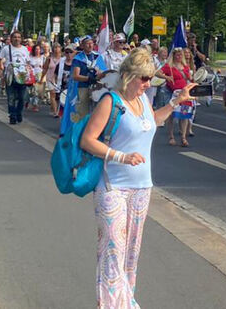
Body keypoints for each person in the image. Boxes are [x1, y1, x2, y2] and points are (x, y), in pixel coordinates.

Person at [80, 48, 194, 308]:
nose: (147, 84)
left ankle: (127, 302)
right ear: (128, 76)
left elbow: (150, 122)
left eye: (150, 79)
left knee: (131, 254)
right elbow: (88, 140)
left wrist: (176, 102)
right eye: (143, 79)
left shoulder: (143, 100)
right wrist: (121, 156)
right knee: (112, 251)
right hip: (113, 187)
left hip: (142, 187)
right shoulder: (111, 101)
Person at [157, 47, 191, 146]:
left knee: (184, 115)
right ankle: (171, 136)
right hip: (172, 93)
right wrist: (166, 77)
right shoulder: (169, 66)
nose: (179, 56)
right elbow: (157, 73)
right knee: (171, 115)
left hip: (183, 93)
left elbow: (189, 78)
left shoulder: (185, 66)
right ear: (174, 56)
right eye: (177, 55)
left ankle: (183, 137)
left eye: (181, 55)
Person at [0, 31, 30, 124]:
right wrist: (0, 70)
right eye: (15, 37)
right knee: (11, 97)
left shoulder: (24, 49)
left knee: (22, 97)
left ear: (21, 39)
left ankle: (18, 112)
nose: (17, 39)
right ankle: (12, 115)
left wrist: (29, 71)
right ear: (11, 38)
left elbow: (27, 62)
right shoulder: (6, 49)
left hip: (22, 75)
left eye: (19, 37)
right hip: (10, 75)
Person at [71, 36, 102, 122]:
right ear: (82, 45)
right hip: (83, 87)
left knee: (96, 111)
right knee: (83, 112)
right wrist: (88, 79)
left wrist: (99, 73)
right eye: (87, 43)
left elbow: (103, 71)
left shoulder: (97, 56)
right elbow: (75, 76)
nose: (90, 45)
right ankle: (81, 131)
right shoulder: (78, 58)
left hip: (96, 87)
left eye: (91, 43)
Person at [43, 43, 64, 117]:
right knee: (53, 94)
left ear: (60, 48)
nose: (56, 49)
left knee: (58, 96)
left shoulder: (63, 58)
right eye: (55, 47)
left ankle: (53, 108)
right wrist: (42, 77)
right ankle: (56, 112)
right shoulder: (49, 58)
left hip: (60, 79)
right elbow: (45, 68)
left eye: (58, 47)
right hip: (50, 78)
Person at [27, 43, 46, 112]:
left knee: (38, 91)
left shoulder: (43, 57)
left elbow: (45, 66)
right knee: (31, 91)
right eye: (36, 49)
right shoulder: (30, 57)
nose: (37, 51)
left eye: (38, 49)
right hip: (32, 74)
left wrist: (43, 67)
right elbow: (27, 65)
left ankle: (35, 105)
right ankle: (29, 101)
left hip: (40, 74)